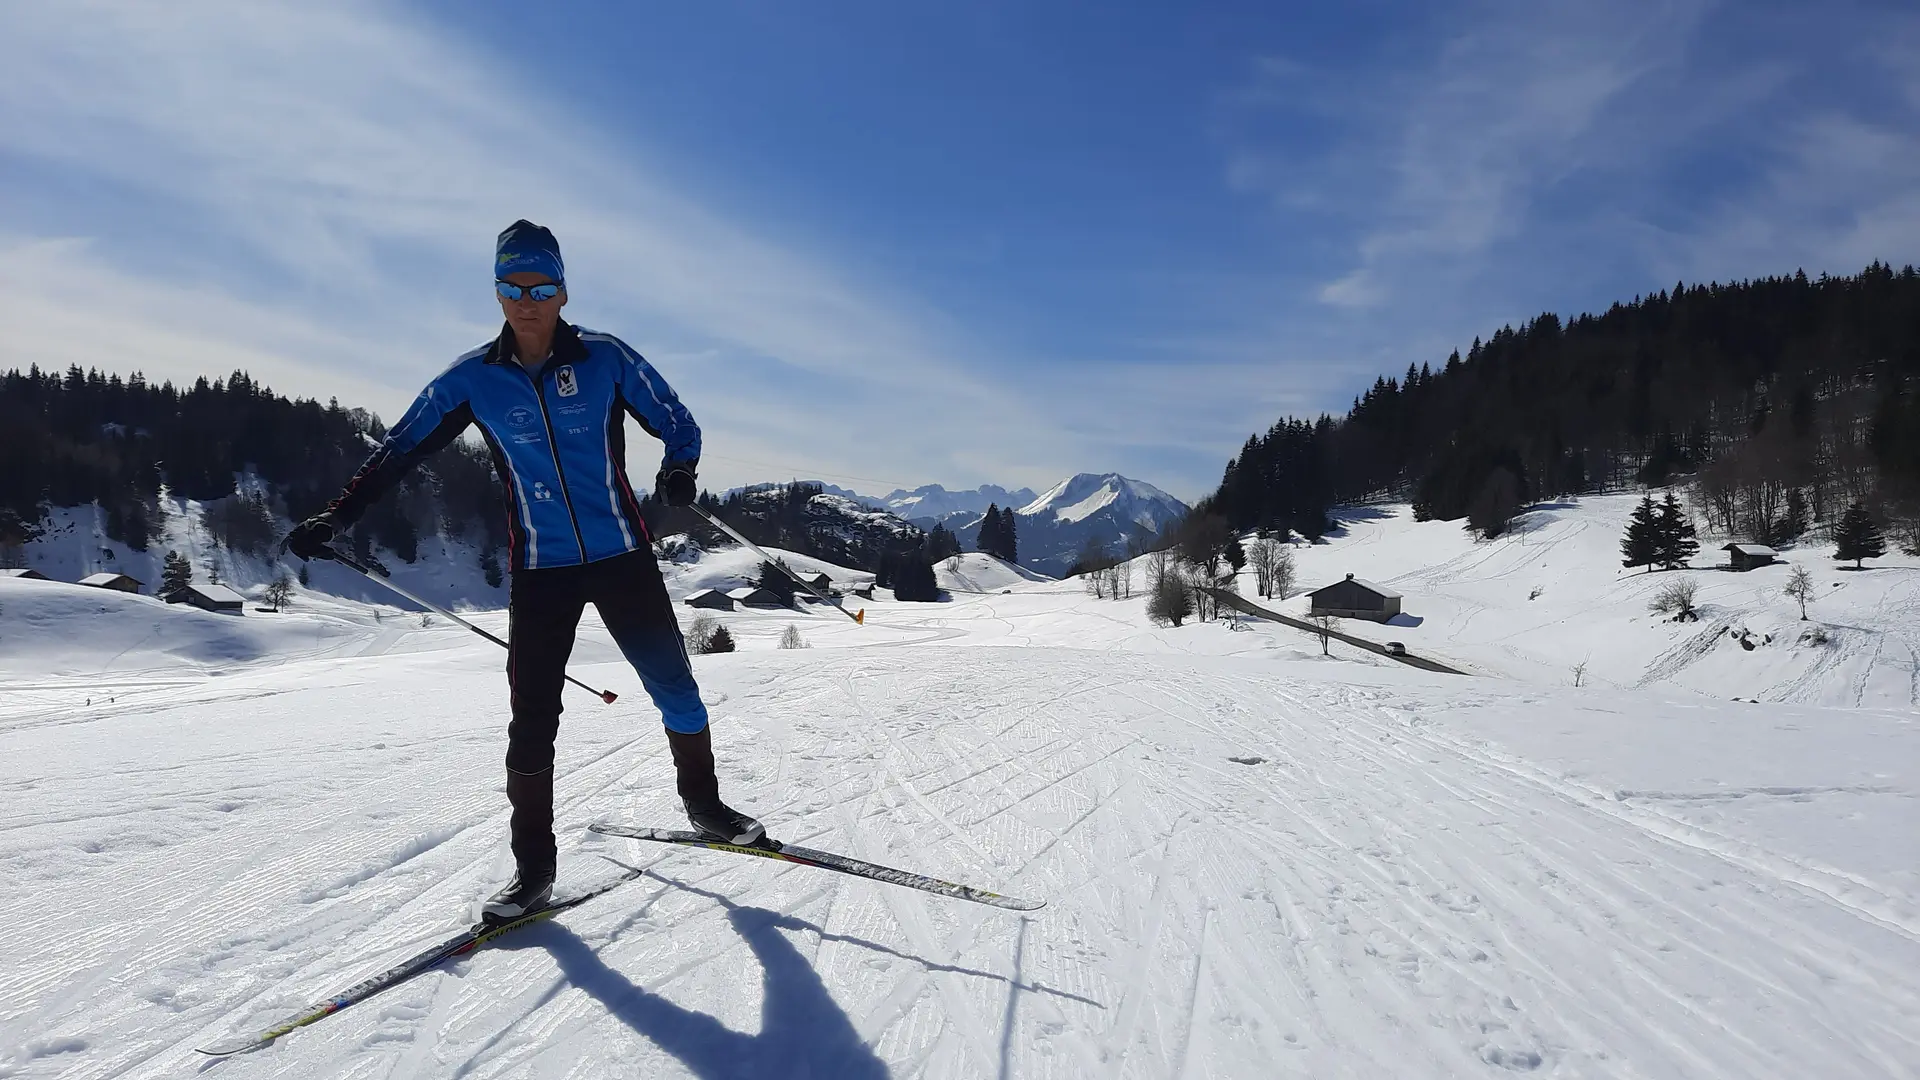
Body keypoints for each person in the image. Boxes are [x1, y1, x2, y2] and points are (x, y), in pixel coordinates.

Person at [287, 220, 762, 921]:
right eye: (512, 287)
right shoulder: (473, 379)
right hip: (542, 569)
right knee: (531, 720)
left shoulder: (605, 359)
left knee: (675, 688)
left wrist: (680, 468)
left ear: (563, 291)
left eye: (541, 287)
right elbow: (398, 448)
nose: (527, 301)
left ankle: (704, 805)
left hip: (621, 557)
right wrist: (339, 514)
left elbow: (677, 421)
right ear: (498, 292)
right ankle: (533, 871)